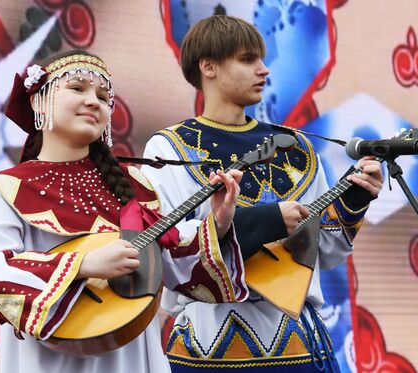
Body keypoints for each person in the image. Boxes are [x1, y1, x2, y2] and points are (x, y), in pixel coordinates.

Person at [0, 49, 249, 373]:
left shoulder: (135, 186)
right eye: (77, 88)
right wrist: (82, 265)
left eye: (103, 97)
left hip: (133, 354)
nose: (94, 102)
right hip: (54, 360)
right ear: (37, 101)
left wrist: (217, 222)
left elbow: (171, 264)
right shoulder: (10, 187)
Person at [142, 15, 383, 372]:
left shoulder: (296, 147)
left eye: (262, 59)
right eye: (247, 59)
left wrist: (354, 199)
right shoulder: (169, 148)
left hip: (297, 343)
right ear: (207, 66)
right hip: (207, 344)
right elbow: (167, 247)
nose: (264, 70)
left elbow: (326, 252)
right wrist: (267, 220)